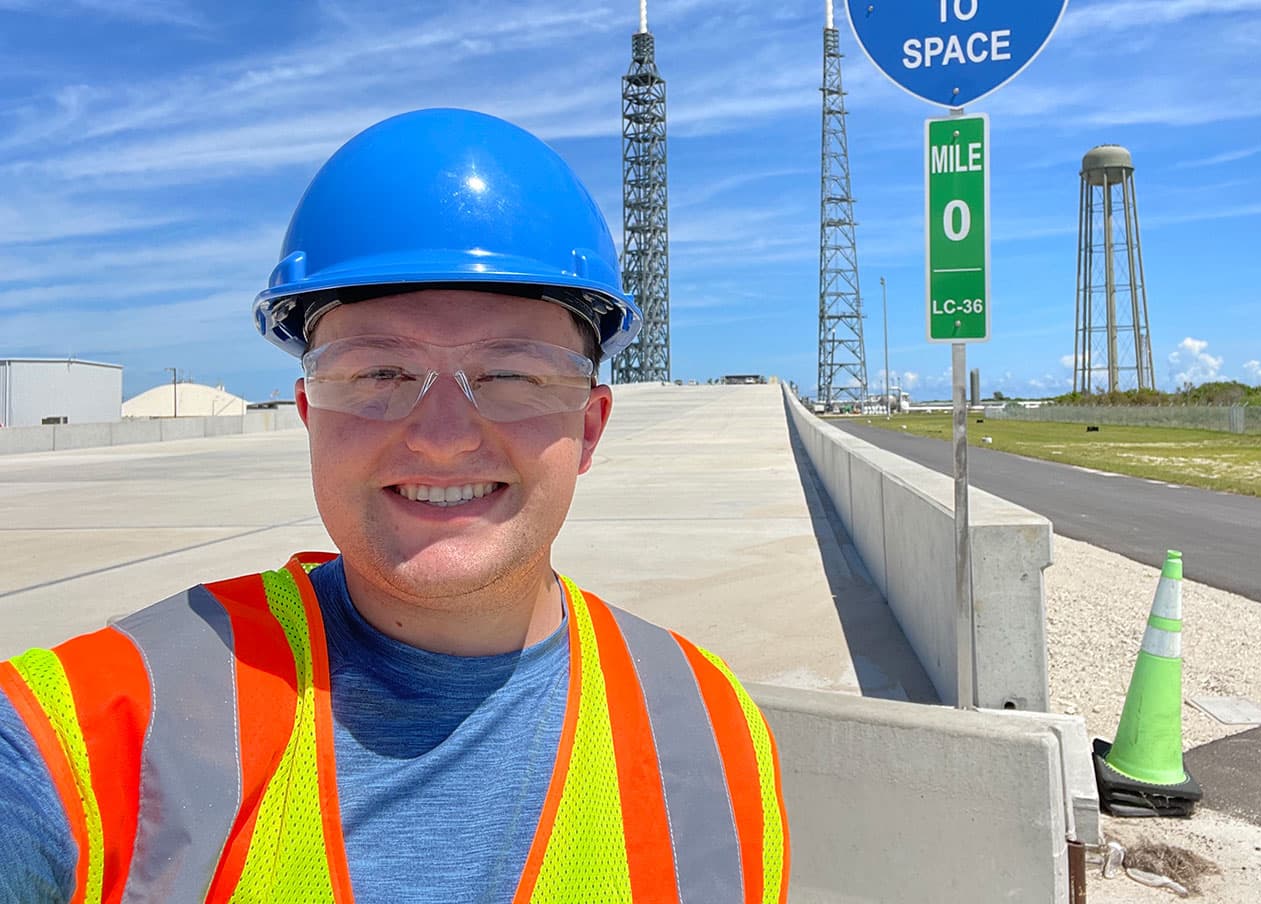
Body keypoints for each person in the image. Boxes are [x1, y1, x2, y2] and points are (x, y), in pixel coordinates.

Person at [0, 108, 788, 903]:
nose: (442, 438)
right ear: (311, 417)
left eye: (513, 375)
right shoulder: (100, 724)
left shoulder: (714, 731)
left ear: (588, 427)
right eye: (378, 373)